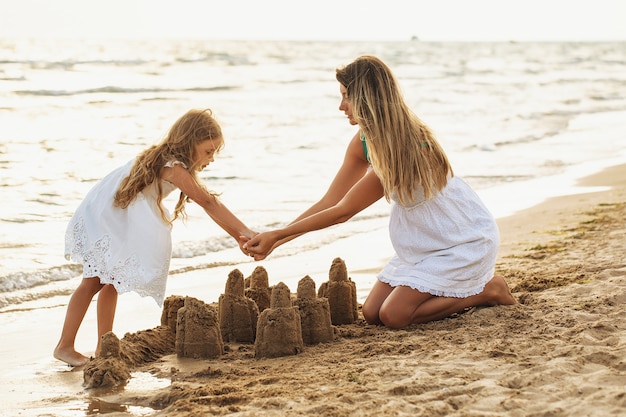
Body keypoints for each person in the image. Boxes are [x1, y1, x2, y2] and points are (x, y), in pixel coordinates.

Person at [245, 55, 516, 329]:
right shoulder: (363, 140)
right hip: (425, 243)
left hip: (461, 240)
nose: (341, 106)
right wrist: (278, 239)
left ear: (365, 98)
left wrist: (277, 236)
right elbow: (331, 201)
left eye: (345, 97)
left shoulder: (406, 147)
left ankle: (487, 291)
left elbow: (343, 212)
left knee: (394, 316)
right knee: (373, 312)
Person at [55, 108, 256, 367]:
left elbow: (208, 206)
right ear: (189, 142)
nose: (212, 159)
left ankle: (102, 345)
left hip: (116, 214)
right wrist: (245, 233)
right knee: (93, 281)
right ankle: (64, 345)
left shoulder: (171, 161)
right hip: (107, 216)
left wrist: (239, 236)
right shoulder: (172, 167)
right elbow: (208, 202)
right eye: (209, 151)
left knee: (111, 281)